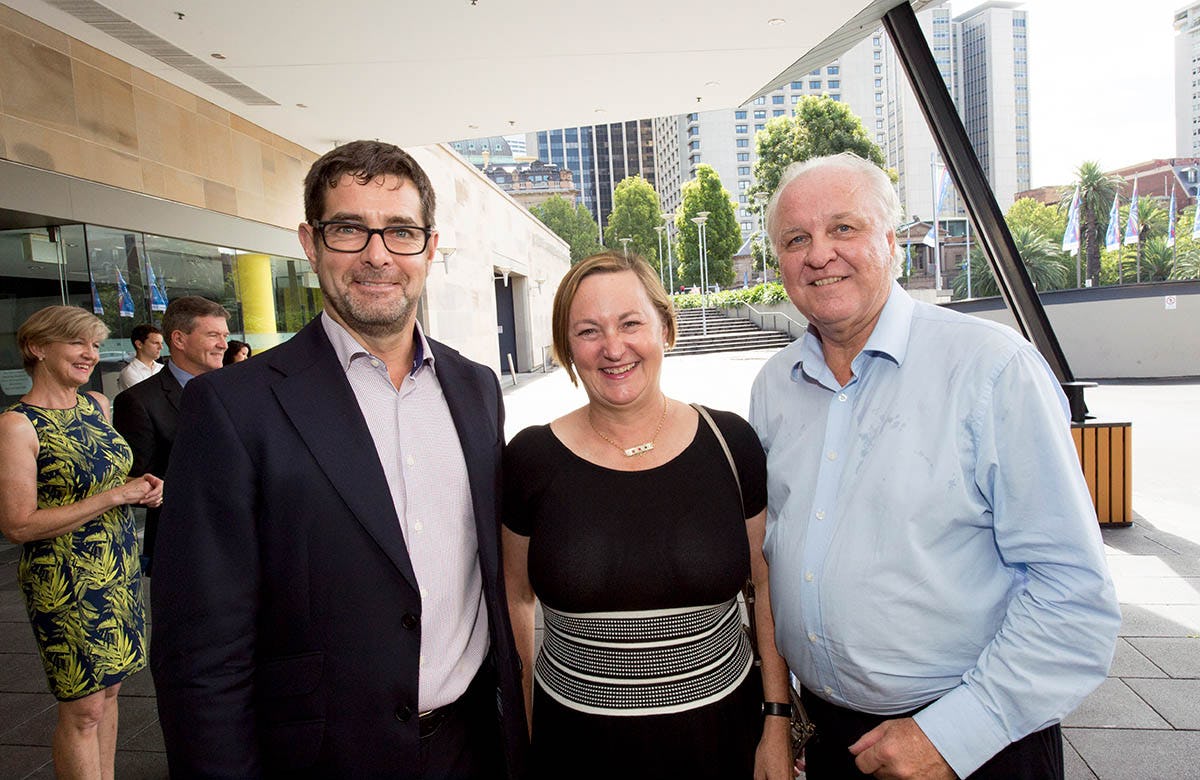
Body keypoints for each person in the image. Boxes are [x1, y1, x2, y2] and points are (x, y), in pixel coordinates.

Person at [150, 139, 527, 778]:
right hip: (322, 758)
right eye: (350, 229)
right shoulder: (233, 407)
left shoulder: (476, 387)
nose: (378, 254)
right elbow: (201, 653)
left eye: (401, 232)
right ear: (311, 241)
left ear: (430, 248)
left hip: (470, 746)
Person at [749, 153, 1120, 779]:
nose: (819, 254)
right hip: (833, 740)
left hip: (974, 744)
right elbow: (773, 564)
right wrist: (780, 717)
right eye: (796, 239)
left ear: (892, 243)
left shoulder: (993, 370)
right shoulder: (773, 387)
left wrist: (953, 736)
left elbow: (1073, 594)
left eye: (844, 228)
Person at [502, 251, 793, 780]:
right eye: (589, 331)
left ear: (665, 326)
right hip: (575, 749)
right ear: (567, 349)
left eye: (631, 323)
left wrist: (776, 719)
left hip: (723, 740)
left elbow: (768, 584)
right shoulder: (530, 459)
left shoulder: (731, 444)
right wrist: (521, 733)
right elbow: (515, 598)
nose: (613, 348)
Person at [0, 306, 163, 779]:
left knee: (110, 693)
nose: (90, 354)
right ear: (36, 348)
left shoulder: (95, 405)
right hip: (64, 578)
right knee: (83, 707)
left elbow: (97, 474)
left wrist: (141, 484)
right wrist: (117, 495)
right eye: (77, 343)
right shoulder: (17, 425)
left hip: (115, 564)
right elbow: (18, 524)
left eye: (94, 344)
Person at [112, 295, 229, 575]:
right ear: (178, 339)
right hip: (186, 546)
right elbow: (135, 477)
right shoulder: (138, 401)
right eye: (213, 335)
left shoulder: (240, 388)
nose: (224, 344)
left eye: (225, 335)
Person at [116, 323, 164, 391]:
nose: (161, 347)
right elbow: (146, 399)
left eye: (161, 343)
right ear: (139, 344)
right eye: (155, 343)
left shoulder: (162, 369)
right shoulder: (129, 373)